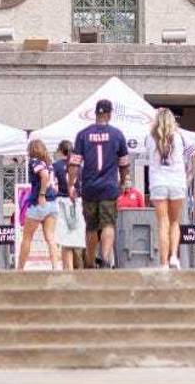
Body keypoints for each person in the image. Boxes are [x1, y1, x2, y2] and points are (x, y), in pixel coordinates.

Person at [67, 99, 129, 269]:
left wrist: (71, 185)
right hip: (109, 187)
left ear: (95, 114)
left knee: (91, 226)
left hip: (89, 187)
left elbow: (74, 163)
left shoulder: (82, 135)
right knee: (108, 223)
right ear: (109, 114)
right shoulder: (117, 134)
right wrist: (123, 181)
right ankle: (106, 258)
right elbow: (124, 163)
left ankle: (90, 259)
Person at [147, 108, 195, 269]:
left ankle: (163, 263)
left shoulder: (150, 137)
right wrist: (189, 172)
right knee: (175, 222)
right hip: (177, 182)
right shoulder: (180, 136)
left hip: (158, 183)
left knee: (163, 222)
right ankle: (174, 256)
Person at [18, 140, 60, 271]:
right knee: (50, 238)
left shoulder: (35, 162)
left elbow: (44, 175)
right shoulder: (49, 164)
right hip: (53, 202)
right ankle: (55, 267)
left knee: (27, 238)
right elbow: (51, 179)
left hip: (39, 202)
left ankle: (19, 269)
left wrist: (41, 194)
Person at [53, 140, 86, 270]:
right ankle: (79, 267)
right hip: (77, 202)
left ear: (61, 151)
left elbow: (54, 186)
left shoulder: (56, 166)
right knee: (77, 238)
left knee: (64, 240)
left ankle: (68, 268)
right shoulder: (79, 167)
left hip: (61, 202)